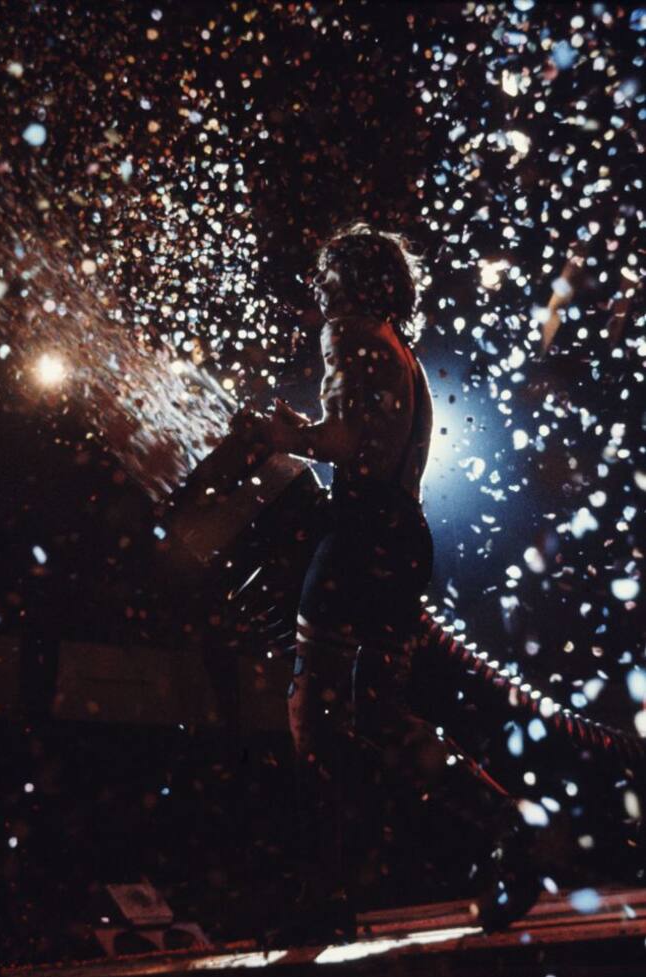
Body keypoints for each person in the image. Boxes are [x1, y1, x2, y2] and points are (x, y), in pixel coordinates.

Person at [248, 223, 435, 942]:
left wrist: (280, 436)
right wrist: (311, 429)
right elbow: (367, 435)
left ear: (351, 280)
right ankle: (499, 825)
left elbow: (348, 444)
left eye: (327, 273)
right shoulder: (395, 345)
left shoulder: (349, 331)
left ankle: (322, 892)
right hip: (403, 536)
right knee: (382, 715)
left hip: (358, 536)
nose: (318, 289)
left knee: (313, 718)